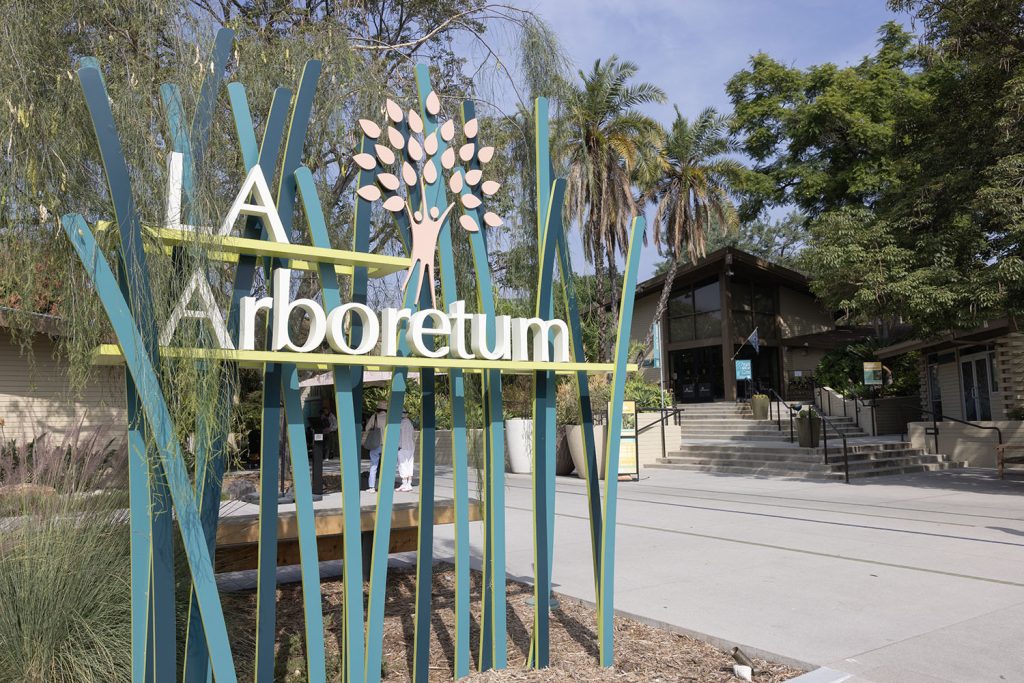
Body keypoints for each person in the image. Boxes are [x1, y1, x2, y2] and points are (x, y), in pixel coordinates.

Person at [362, 401, 387, 492]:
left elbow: (367, 428)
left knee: (374, 465)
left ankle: (372, 487)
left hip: (376, 444)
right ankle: (384, 486)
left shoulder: (375, 416)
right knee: (386, 466)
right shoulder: (389, 418)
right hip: (387, 445)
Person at [396, 410, 416, 492]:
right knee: (410, 464)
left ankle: (404, 483)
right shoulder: (410, 423)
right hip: (411, 446)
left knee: (402, 464)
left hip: (402, 446)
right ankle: (409, 483)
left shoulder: (400, 423)